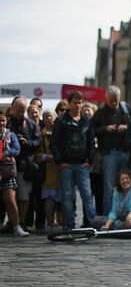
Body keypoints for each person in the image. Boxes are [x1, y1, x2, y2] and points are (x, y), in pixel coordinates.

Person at [51, 91, 96, 230]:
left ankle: (92, 224)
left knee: (87, 196)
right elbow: (54, 143)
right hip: (66, 164)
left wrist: (90, 160)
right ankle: (69, 225)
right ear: (69, 103)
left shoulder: (87, 121)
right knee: (67, 196)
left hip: (82, 164)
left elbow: (91, 143)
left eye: (80, 103)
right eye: (75, 103)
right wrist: (59, 161)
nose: (78, 105)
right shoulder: (61, 120)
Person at [91, 86, 131, 216]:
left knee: (125, 186)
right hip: (109, 153)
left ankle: (123, 215)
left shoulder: (125, 109)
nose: (114, 103)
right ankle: (108, 217)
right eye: (111, 101)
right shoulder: (100, 112)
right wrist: (106, 129)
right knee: (109, 188)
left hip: (124, 151)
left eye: (116, 100)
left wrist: (126, 127)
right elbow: (91, 130)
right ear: (106, 98)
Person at [7, 96, 42, 231]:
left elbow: (38, 142)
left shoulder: (31, 124)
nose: (20, 114)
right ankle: (12, 222)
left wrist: (27, 142)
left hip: (24, 165)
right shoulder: (6, 123)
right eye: (18, 111)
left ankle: (20, 222)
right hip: (8, 166)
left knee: (24, 196)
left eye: (23, 111)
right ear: (12, 109)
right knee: (9, 198)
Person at [0, 111, 27, 236]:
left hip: (8, 171)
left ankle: (16, 227)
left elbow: (17, 150)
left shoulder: (10, 135)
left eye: (3, 120)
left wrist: (5, 153)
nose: (1, 123)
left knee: (10, 200)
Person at [38, 111, 62, 231]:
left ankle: (62, 223)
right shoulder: (41, 134)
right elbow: (36, 153)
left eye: (51, 116)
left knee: (63, 198)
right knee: (49, 199)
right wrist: (46, 157)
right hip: (47, 170)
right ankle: (49, 223)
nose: (49, 119)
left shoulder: (61, 132)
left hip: (61, 168)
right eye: (46, 117)